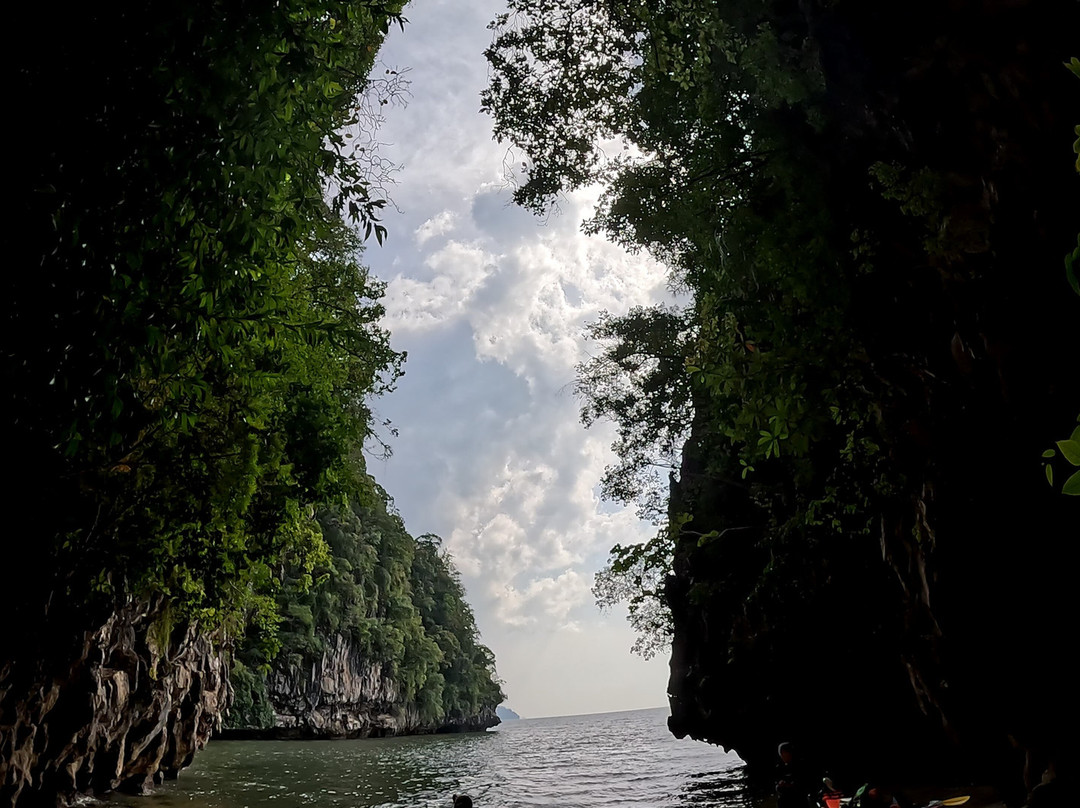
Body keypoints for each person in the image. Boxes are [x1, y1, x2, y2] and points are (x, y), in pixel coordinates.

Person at [776, 742, 812, 808]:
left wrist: (790, 785)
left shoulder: (801, 766)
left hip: (798, 800)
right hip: (785, 801)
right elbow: (777, 787)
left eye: (783, 753)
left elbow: (806, 785)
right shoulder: (780, 768)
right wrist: (780, 785)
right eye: (781, 753)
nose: (781, 755)